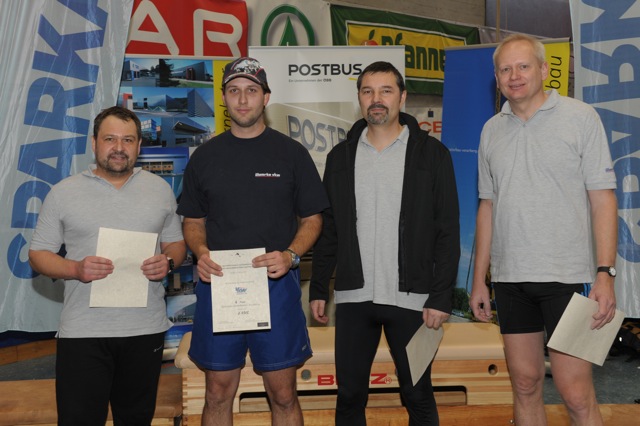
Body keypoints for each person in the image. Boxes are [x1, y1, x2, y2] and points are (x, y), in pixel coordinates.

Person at [470, 34, 618, 426]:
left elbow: (603, 200)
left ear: (543, 69)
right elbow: (487, 206)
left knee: (576, 394)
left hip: (568, 277)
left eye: (523, 66)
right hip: (510, 280)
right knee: (525, 384)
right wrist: (479, 280)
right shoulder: (491, 130)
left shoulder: (581, 117)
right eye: (505, 69)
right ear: (497, 78)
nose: (514, 76)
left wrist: (605, 273)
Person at [177, 57, 329, 426]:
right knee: (217, 393)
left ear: (266, 97)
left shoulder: (292, 154)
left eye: (251, 91)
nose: (243, 99)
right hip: (219, 284)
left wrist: (291, 255)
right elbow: (192, 221)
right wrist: (201, 252)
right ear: (224, 98)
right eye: (234, 91)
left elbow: (313, 219)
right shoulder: (205, 157)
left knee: (283, 394)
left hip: (275, 286)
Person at [310, 61, 461, 425]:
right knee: (349, 395)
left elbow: (448, 230)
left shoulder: (432, 155)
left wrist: (441, 296)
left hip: (413, 300)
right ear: (360, 98)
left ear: (402, 97)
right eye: (368, 91)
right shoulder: (340, 157)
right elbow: (330, 229)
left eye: (386, 91)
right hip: (353, 298)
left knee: (417, 393)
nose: (376, 99)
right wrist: (318, 287)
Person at [29, 106, 187, 425]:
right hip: (83, 331)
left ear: (139, 146)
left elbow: (176, 243)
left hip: (144, 329)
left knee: (136, 419)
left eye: (127, 140)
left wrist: (168, 261)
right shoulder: (63, 193)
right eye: (110, 139)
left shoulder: (160, 190)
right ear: (94, 143)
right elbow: (38, 254)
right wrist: (75, 269)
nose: (119, 147)